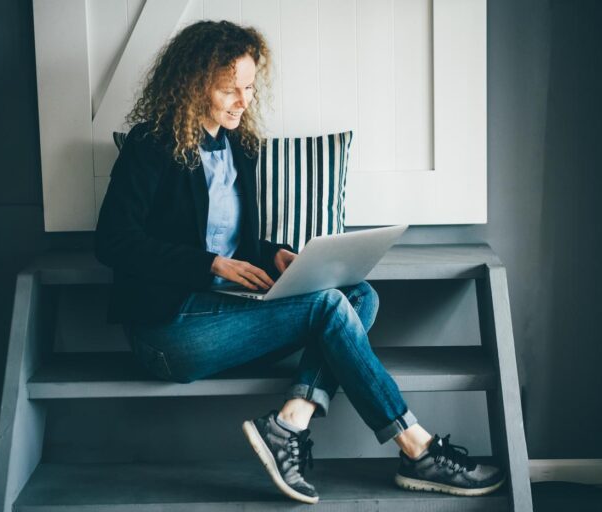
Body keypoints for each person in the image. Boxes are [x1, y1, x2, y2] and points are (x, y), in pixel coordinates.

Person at [94, 19, 505, 505]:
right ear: (191, 83)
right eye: (230, 90)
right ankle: (416, 447)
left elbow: (233, 237)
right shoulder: (151, 145)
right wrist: (212, 265)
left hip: (228, 312)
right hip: (167, 333)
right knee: (331, 309)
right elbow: (114, 242)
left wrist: (275, 254)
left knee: (358, 296)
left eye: (248, 87)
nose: (244, 101)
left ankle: (290, 422)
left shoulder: (236, 145)